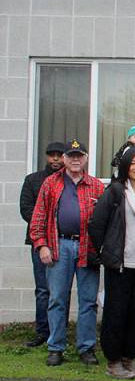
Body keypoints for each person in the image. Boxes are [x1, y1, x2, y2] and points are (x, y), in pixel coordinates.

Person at [29, 139, 105, 367]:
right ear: (64, 159)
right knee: (57, 300)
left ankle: (86, 348)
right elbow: (39, 216)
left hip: (87, 248)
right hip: (58, 246)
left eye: (79, 156)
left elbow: (106, 220)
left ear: (86, 159)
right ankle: (56, 347)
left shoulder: (96, 186)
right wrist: (42, 245)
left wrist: (102, 249)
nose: (74, 159)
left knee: (89, 301)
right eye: (70, 156)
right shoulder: (51, 183)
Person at [89, 146, 135, 379]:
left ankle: (130, 358)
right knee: (116, 313)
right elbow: (97, 225)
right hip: (120, 265)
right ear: (126, 165)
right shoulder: (115, 192)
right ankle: (114, 362)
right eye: (134, 163)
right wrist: (107, 251)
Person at [20, 141, 64, 348]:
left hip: (63, 240)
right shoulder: (33, 180)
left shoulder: (69, 181)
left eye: (59, 155)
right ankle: (42, 332)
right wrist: (46, 227)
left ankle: (59, 331)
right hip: (39, 242)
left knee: (60, 290)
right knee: (42, 289)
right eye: (51, 155)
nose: (55, 159)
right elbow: (26, 209)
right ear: (46, 157)